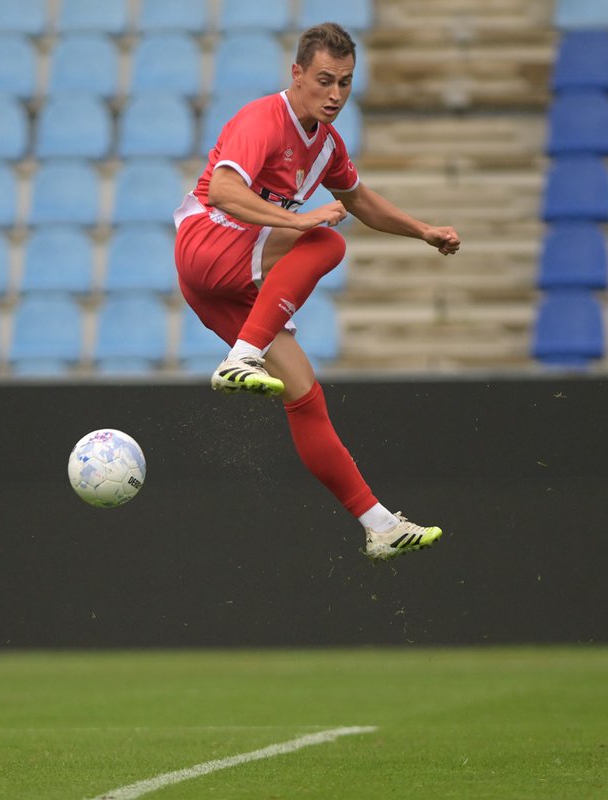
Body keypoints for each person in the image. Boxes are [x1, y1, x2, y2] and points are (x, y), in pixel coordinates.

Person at [173, 23, 460, 560]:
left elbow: (362, 201)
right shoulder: (263, 118)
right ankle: (241, 357)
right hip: (208, 245)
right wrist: (299, 223)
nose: (334, 95)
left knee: (304, 393)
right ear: (297, 74)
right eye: (324, 80)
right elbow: (225, 190)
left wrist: (423, 230)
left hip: (221, 284)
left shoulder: (327, 146)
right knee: (326, 244)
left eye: (346, 83)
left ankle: (378, 525)